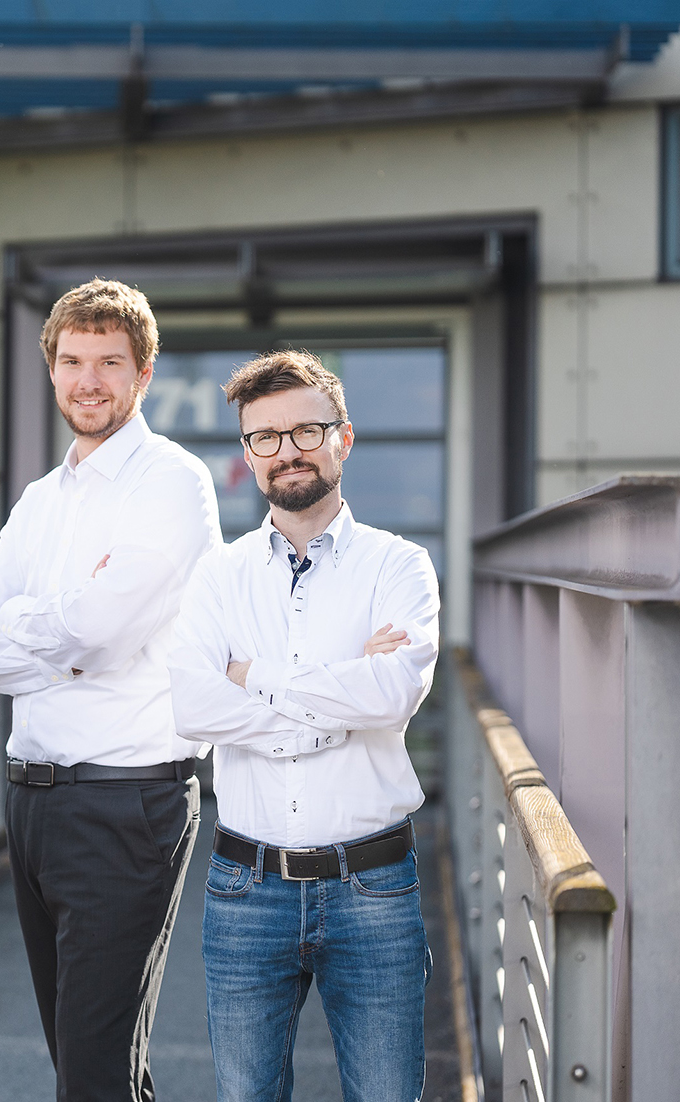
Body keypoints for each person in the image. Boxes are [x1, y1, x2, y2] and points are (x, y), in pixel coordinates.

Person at [0, 278, 222, 1101]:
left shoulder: (172, 482)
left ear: (143, 374)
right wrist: (66, 632)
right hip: (34, 801)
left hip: (125, 802)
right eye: (73, 360)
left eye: (110, 361)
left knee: (95, 1067)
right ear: (52, 370)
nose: (89, 379)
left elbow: (102, 630)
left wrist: (49, 628)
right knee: (87, 1064)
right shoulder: (40, 502)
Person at [167, 350, 440, 1102]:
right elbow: (194, 709)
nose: (286, 449)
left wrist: (254, 675)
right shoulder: (217, 576)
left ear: (342, 439)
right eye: (265, 436)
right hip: (244, 888)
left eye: (305, 430)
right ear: (248, 454)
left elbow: (389, 696)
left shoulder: (401, 566)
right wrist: (333, 704)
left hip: (375, 884)